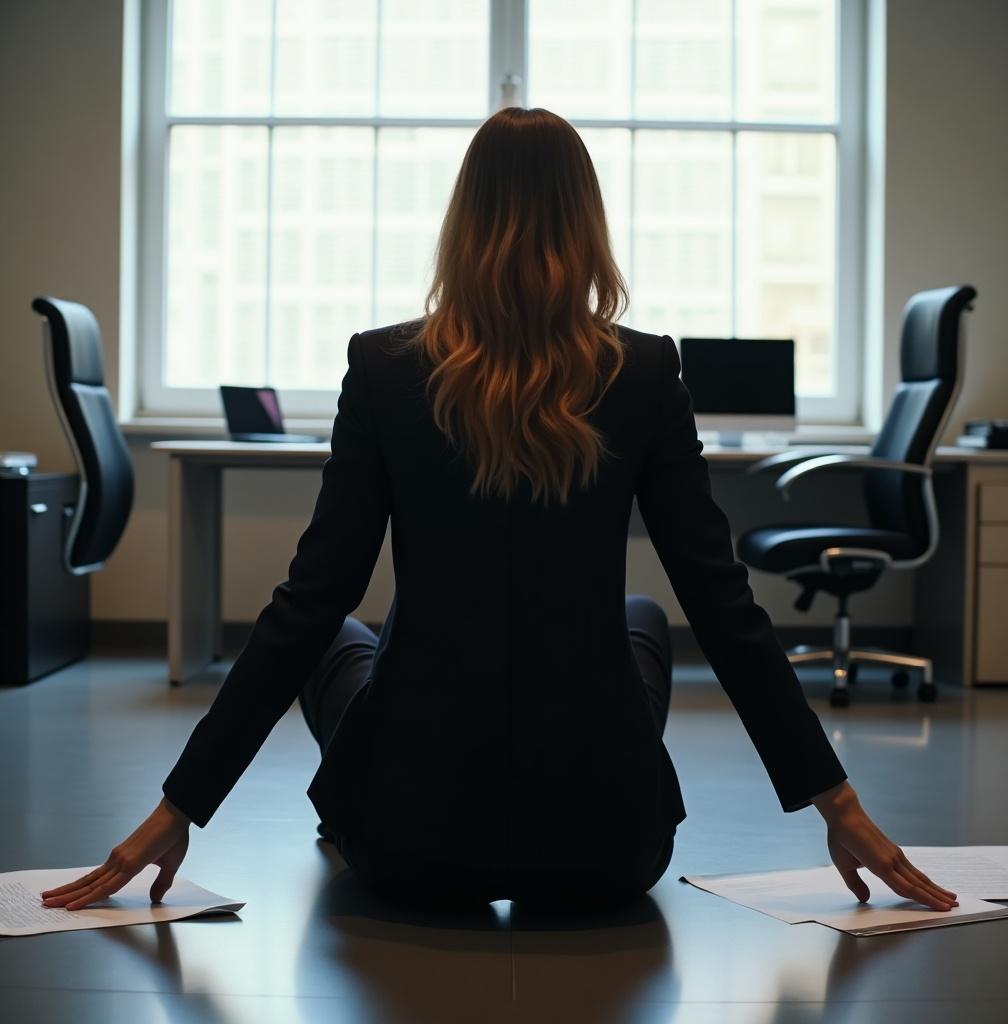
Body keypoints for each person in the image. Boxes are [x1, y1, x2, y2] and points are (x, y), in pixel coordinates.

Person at [41, 107, 957, 915]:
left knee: (333, 630)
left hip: (408, 849)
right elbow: (724, 608)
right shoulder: (641, 372)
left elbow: (308, 603)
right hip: (607, 853)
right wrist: (839, 806)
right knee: (637, 617)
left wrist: (177, 808)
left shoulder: (384, 368)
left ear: (461, 225)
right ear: (587, 223)